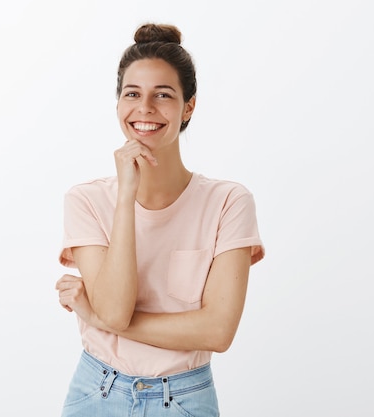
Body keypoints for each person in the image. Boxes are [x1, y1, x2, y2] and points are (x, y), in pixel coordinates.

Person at [55, 22, 265, 417]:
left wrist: (97, 317)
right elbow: (115, 309)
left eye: (163, 95)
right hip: (96, 393)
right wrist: (126, 198)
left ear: (189, 106)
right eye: (132, 93)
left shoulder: (228, 203)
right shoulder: (86, 200)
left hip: (184, 399)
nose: (145, 108)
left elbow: (218, 331)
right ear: (118, 103)